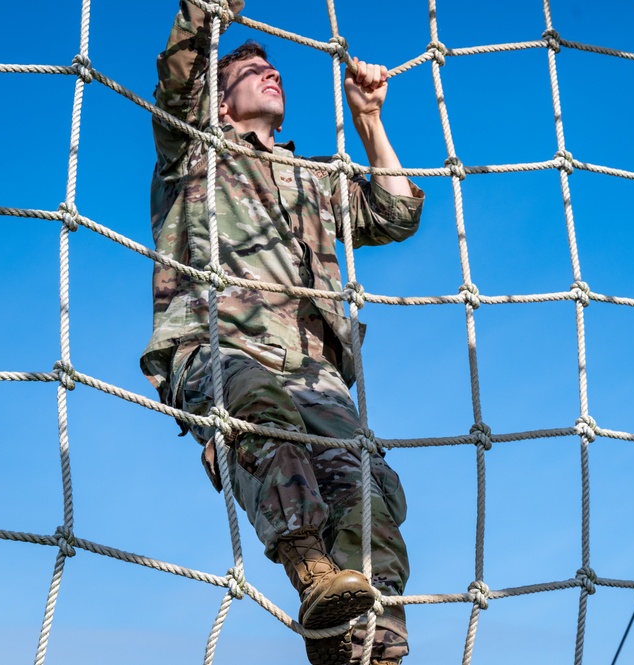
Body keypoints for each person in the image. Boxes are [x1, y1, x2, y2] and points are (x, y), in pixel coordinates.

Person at [139, 2, 424, 663]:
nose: (271, 73)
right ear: (218, 102)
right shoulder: (193, 148)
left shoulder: (310, 178)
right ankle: (311, 572)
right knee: (256, 413)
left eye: (273, 68)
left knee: (363, 476)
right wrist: (211, 13)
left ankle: (368, 625)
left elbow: (395, 210)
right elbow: (182, 65)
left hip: (313, 367)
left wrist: (369, 120)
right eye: (249, 68)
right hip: (218, 341)